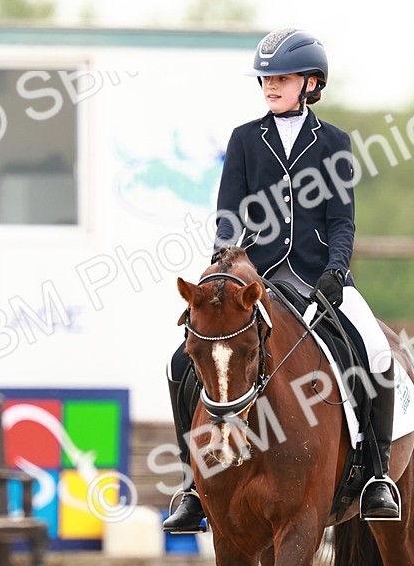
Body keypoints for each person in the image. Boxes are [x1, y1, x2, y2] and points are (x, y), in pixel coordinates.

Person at [163, 27, 401, 533]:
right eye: (265, 79)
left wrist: (338, 269)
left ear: (311, 83)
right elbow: (229, 214)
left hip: (321, 280)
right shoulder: (245, 140)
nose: (270, 86)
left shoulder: (333, 142)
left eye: (282, 78)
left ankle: (377, 474)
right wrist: (224, 268)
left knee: (377, 353)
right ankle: (191, 484)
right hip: (258, 279)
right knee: (179, 362)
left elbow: (342, 219)